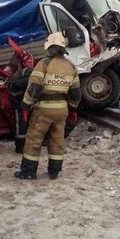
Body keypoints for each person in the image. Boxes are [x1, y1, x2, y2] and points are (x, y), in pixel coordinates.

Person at [14, 32, 81, 180]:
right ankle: (54, 171)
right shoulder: (71, 66)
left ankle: (28, 171)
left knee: (34, 138)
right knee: (57, 139)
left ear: (49, 47)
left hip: (44, 108)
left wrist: (26, 105)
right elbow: (76, 93)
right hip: (62, 109)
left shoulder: (44, 64)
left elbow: (34, 87)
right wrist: (74, 109)